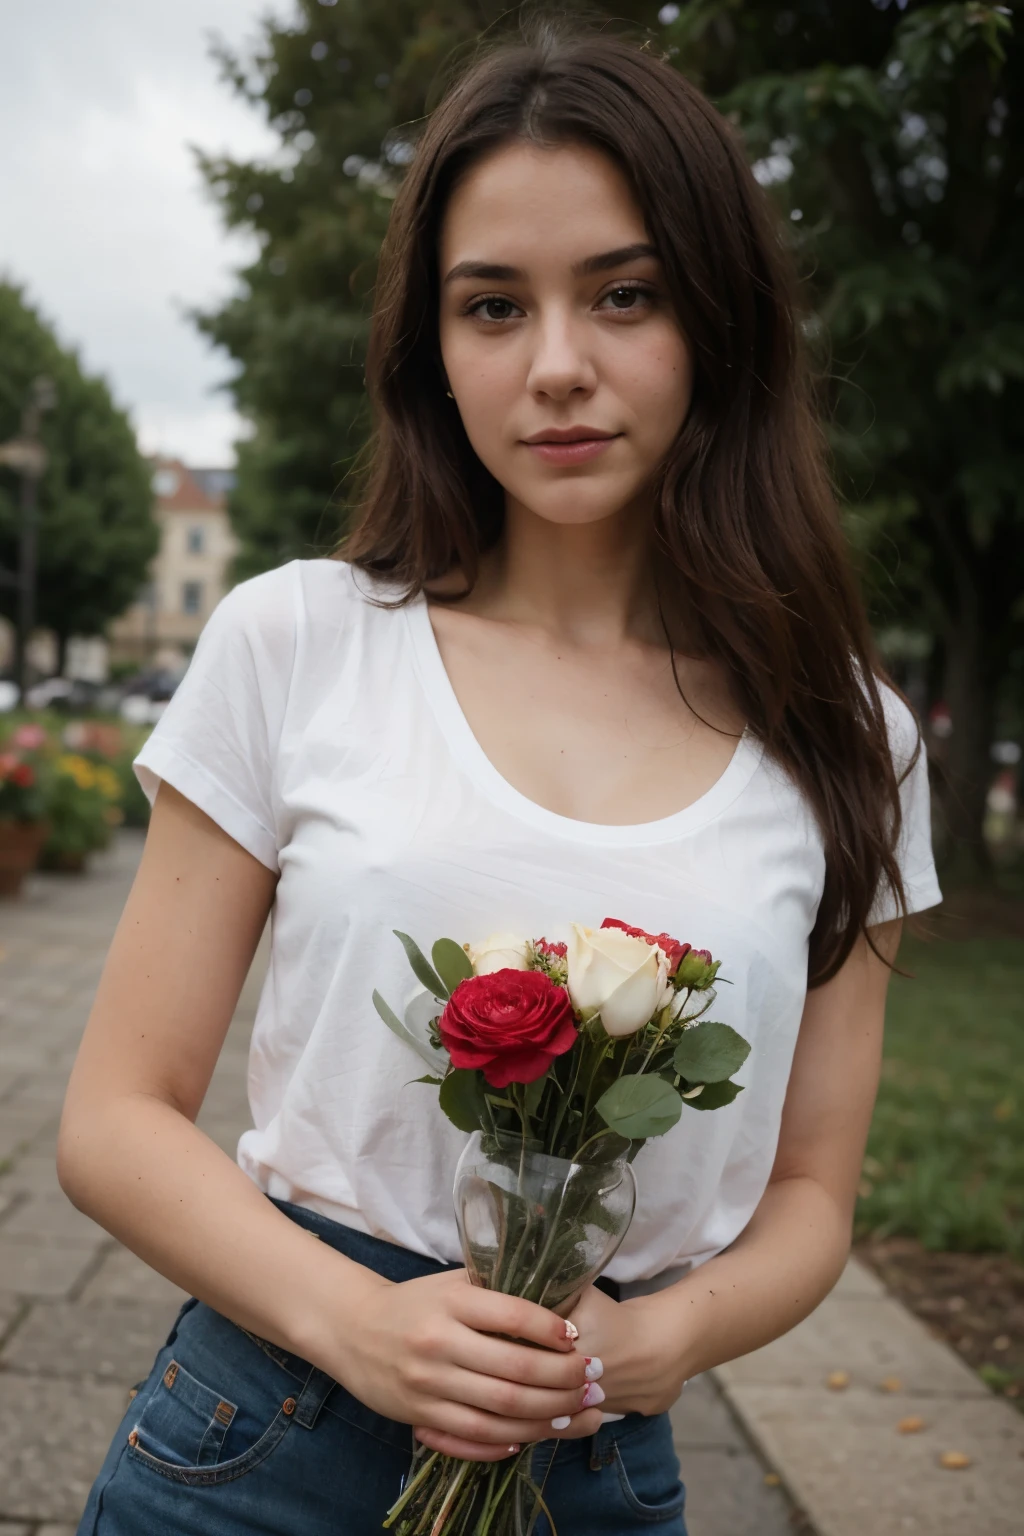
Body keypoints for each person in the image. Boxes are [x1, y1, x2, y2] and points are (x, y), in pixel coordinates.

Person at [65, 19, 941, 1536]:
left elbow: (810, 1198)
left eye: (624, 294)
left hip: (599, 1452)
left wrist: (667, 1337)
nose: (555, 366)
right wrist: (357, 1324)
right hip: (263, 1427)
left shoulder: (850, 739)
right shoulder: (298, 641)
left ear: (717, 321)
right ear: (434, 353)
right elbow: (115, 1118)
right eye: (492, 306)